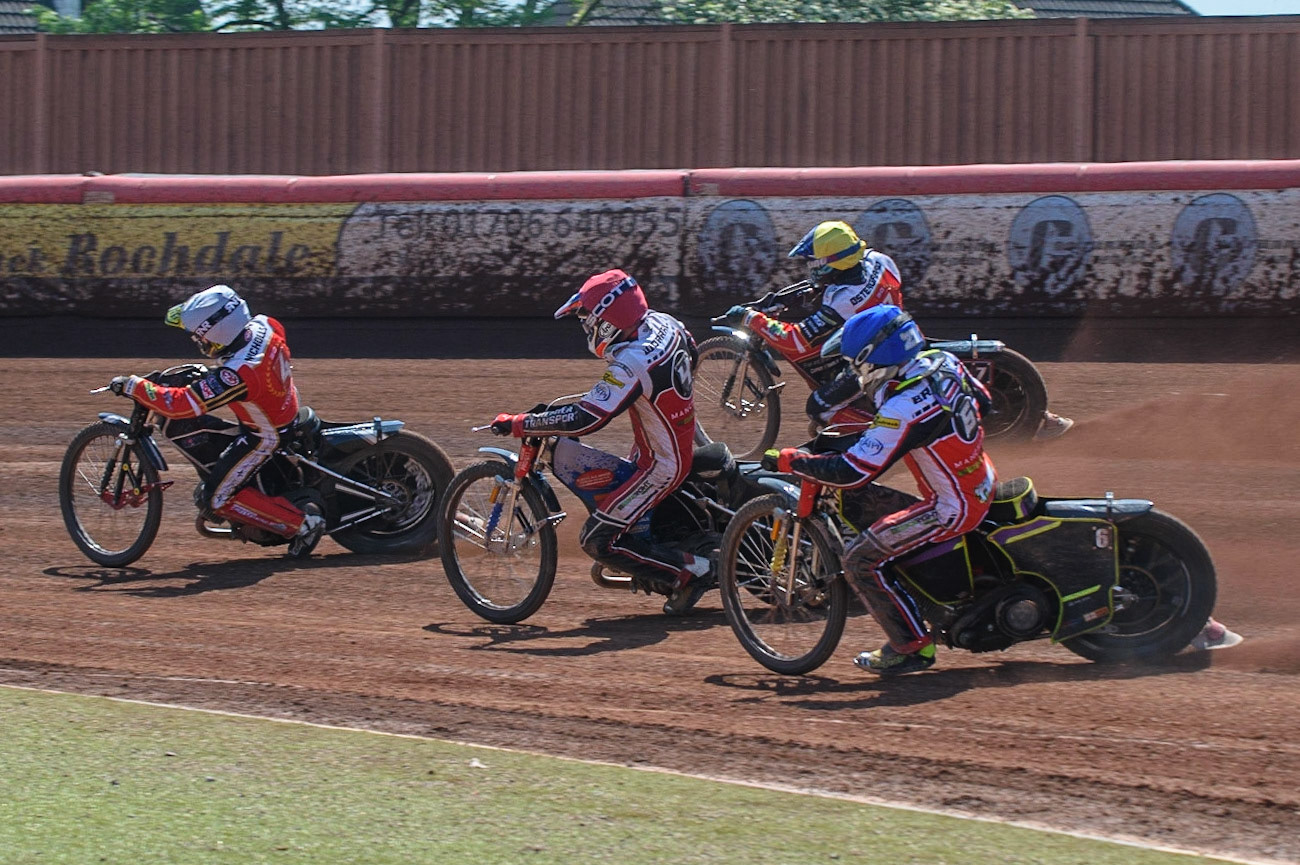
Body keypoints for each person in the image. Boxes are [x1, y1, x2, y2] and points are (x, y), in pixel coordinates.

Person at [763, 304, 998, 675]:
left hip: (951, 508)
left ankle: (912, 647)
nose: (854, 372)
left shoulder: (903, 406)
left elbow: (852, 473)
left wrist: (793, 462)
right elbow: (984, 401)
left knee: (859, 559)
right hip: (981, 479)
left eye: (856, 364)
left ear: (875, 358)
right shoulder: (943, 362)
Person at [723, 219, 1073, 440]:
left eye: (817, 262)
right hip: (901, 329)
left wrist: (754, 319)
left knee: (819, 407)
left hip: (879, 360)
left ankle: (882, 436)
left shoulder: (843, 302)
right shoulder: (879, 261)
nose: (812, 268)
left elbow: (797, 341)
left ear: (835, 263)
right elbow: (841, 285)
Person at [490, 269, 711, 615]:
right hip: (670, 439)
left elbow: (586, 419)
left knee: (596, 541)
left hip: (661, 466)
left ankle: (690, 573)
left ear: (606, 321)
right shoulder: (664, 323)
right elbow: (693, 353)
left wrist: (521, 423)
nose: (585, 328)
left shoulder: (632, 362)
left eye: (586, 320)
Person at [107, 285, 324, 556]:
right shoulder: (264, 324)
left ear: (217, 335)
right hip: (282, 402)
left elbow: (181, 405)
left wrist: (134, 386)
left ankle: (303, 525)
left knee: (216, 498)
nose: (198, 343)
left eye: (199, 338)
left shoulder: (238, 375)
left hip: (265, 437)